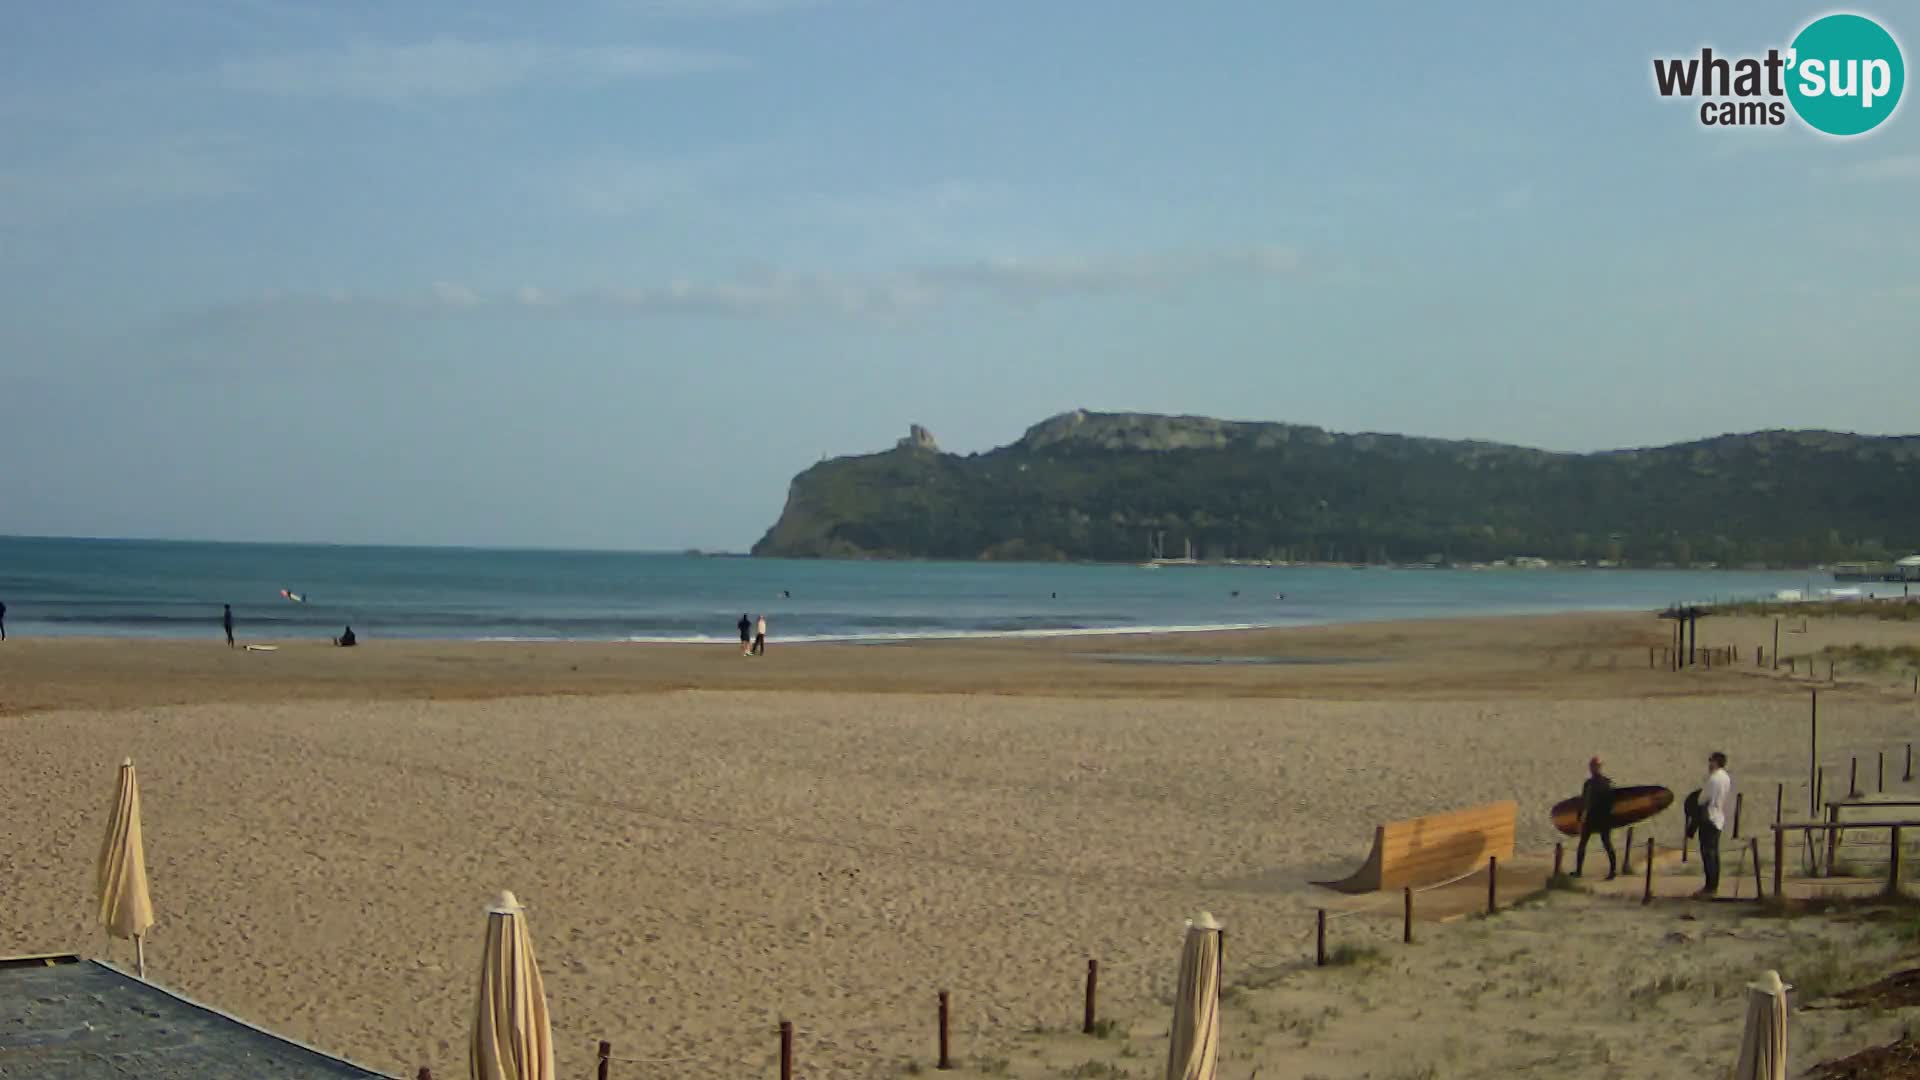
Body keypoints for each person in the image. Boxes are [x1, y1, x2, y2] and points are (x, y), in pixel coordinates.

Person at [1573, 755, 1617, 880]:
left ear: (1599, 767)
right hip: (1592, 818)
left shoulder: (1605, 783)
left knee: (1607, 843)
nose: (1593, 769)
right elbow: (1584, 802)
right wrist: (1580, 817)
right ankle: (1578, 871)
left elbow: (1611, 802)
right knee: (1583, 844)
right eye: (1592, 766)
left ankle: (1613, 871)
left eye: (1595, 766)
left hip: (1602, 818)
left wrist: (1610, 818)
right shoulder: (1589, 784)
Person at [1697, 751, 1733, 898]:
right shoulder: (1726, 778)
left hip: (1709, 819)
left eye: (1711, 761)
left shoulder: (1713, 779)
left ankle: (1709, 887)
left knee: (1708, 854)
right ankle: (1713, 885)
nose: (1709, 764)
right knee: (1714, 854)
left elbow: (1703, 799)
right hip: (1719, 818)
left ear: (1716, 762)